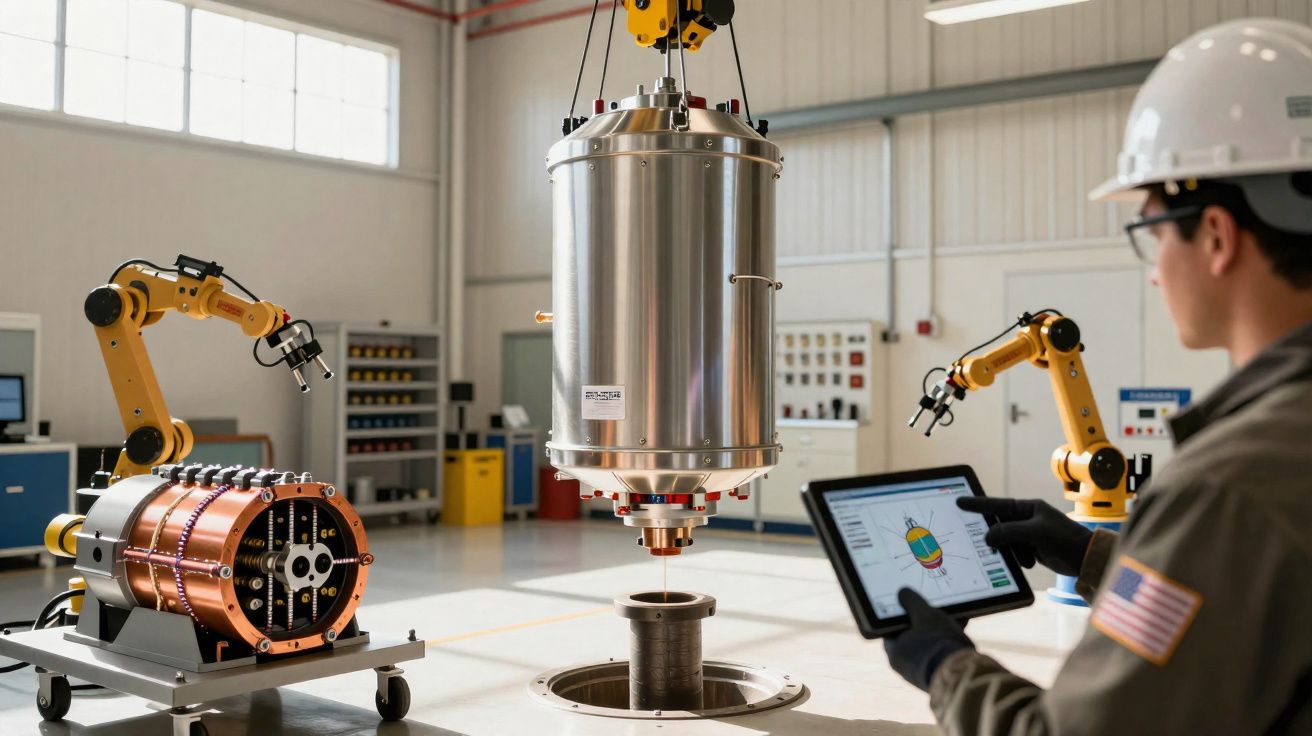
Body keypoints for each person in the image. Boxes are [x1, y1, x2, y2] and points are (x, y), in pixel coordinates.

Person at [882, 17, 1312, 735]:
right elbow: (1251, 608)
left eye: (1150, 232)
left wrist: (945, 664)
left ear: (1215, 235)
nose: (1153, 275)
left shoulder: (1230, 486)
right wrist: (1093, 556)